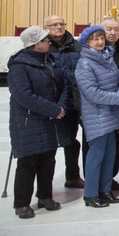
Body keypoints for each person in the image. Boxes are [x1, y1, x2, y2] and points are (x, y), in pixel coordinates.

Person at [8, 26, 71, 218]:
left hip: (50, 119)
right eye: (45, 40)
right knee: (28, 162)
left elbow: (64, 87)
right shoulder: (19, 66)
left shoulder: (50, 61)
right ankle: (21, 203)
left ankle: (45, 196)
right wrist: (53, 110)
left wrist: (61, 107)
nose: (48, 42)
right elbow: (24, 96)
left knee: (47, 161)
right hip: (29, 121)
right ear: (35, 44)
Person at [75, 26, 119, 209]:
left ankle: (105, 190)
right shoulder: (85, 64)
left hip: (111, 113)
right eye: (95, 39)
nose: (100, 42)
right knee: (96, 156)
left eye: (102, 38)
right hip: (96, 115)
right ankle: (90, 194)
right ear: (86, 42)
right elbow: (92, 93)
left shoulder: (107, 57)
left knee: (110, 155)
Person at [44, 15, 84, 190]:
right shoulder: (42, 46)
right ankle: (45, 185)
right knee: (49, 143)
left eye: (61, 24)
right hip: (50, 102)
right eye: (54, 24)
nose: (58, 27)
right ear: (46, 27)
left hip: (72, 100)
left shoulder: (77, 45)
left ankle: (73, 176)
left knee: (70, 140)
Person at [100, 18, 119, 191]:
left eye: (116, 29)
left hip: (118, 103)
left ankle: (109, 180)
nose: (112, 33)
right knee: (97, 149)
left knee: (114, 147)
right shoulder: (93, 50)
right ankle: (96, 183)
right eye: (108, 29)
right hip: (98, 106)